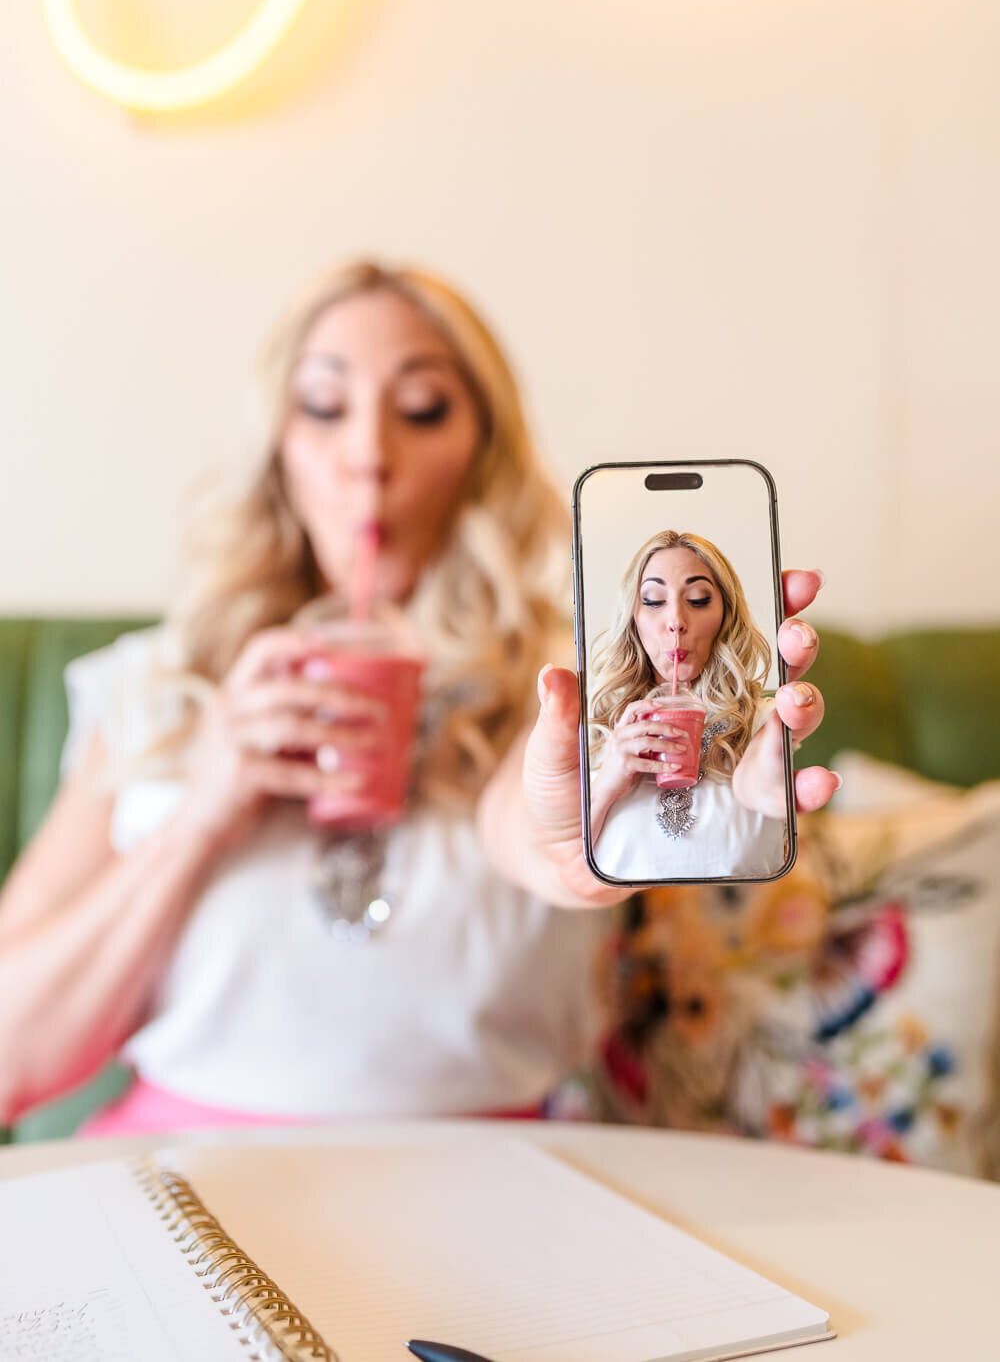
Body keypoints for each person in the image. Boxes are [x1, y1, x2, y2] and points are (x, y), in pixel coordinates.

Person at [0, 260, 838, 1134]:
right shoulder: (160, 687)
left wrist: (570, 846)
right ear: (278, 447)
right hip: (181, 1191)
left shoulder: (562, 684)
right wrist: (202, 815)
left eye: (424, 409)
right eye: (325, 408)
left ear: (481, 449)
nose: (368, 456)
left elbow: (525, 821)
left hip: (489, 1192)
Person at [588, 530, 790, 883]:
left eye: (698, 599)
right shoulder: (598, 730)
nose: (676, 621)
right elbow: (558, 872)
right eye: (653, 600)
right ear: (632, 618)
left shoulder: (767, 723)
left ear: (725, 614)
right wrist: (607, 781)